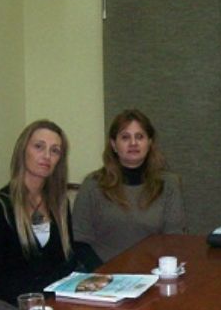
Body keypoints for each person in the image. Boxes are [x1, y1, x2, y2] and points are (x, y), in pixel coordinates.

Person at [0, 120, 78, 310]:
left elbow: (67, 262)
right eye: (39, 147)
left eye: (55, 151)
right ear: (22, 150)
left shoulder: (60, 204)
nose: (46, 156)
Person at [73, 109, 186, 264]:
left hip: (153, 273)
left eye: (139, 137)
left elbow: (173, 240)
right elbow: (80, 241)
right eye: (125, 137)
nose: (133, 143)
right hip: (103, 276)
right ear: (113, 144)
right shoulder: (92, 185)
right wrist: (104, 275)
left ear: (150, 142)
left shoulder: (169, 184)